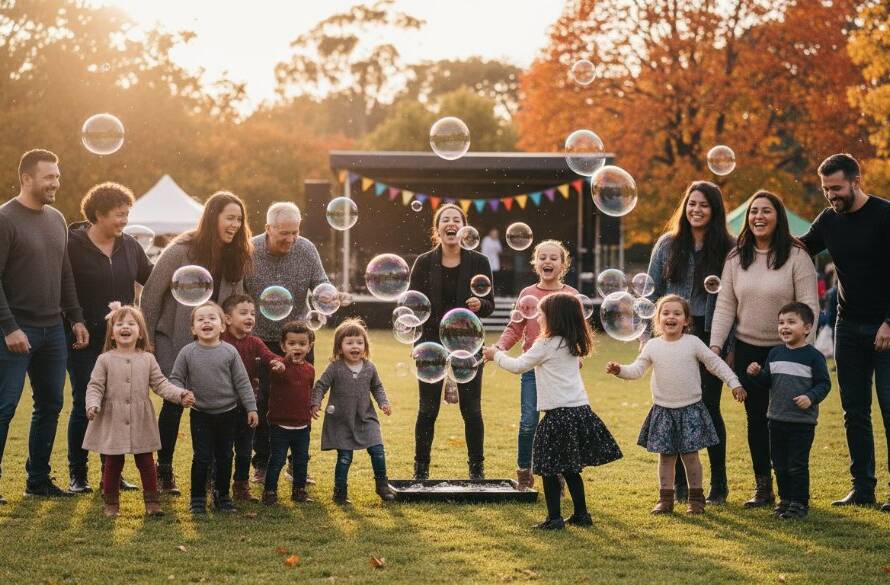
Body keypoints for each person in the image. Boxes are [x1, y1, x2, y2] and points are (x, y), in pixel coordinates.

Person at [709, 190, 819, 508]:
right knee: (756, 420)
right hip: (748, 351)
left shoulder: (797, 256)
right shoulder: (735, 257)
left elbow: (809, 305)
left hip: (788, 351)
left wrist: (804, 353)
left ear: (778, 217)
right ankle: (763, 486)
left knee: (787, 421)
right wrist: (716, 346)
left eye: (766, 211)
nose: (758, 216)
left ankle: (793, 487)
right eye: (754, 211)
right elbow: (726, 305)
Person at [141, 191, 253, 495]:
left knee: (215, 408)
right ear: (212, 216)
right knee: (175, 401)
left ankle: (210, 472)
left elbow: (234, 303)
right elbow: (151, 294)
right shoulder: (181, 250)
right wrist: (147, 339)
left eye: (239, 219)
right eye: (229, 217)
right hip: (173, 339)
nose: (235, 224)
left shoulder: (237, 256)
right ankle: (164, 470)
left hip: (213, 344)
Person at [483, 293, 622, 530]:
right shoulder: (571, 342)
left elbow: (518, 366)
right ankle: (581, 514)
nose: (538, 317)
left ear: (554, 318)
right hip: (579, 411)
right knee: (570, 468)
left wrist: (496, 354)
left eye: (541, 313)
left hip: (558, 415)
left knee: (548, 467)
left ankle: (554, 519)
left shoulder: (546, 344)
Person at [799, 153, 890, 510]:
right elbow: (802, 247)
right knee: (854, 410)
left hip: (886, 327)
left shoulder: (885, 216)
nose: (831, 196)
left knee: (889, 408)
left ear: (856, 180)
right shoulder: (829, 219)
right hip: (848, 326)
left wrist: (888, 322)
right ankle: (863, 488)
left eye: (836, 188)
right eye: (825, 190)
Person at [0, 149, 89, 501]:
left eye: (57, 175)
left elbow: (64, 273)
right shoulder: (5, 219)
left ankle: (37, 480)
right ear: (26, 179)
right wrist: (9, 327)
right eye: (48, 177)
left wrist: (76, 317)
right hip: (14, 329)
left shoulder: (56, 219)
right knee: (5, 407)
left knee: (50, 404)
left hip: (53, 330)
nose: (56, 182)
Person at [606, 295, 743, 515]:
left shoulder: (693, 343)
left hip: (690, 408)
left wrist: (734, 383)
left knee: (691, 456)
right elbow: (637, 370)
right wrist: (619, 370)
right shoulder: (652, 346)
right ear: (658, 320)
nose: (671, 317)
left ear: (686, 320)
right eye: (666, 313)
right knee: (666, 457)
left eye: (677, 313)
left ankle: (696, 498)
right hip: (663, 410)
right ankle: (665, 499)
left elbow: (714, 363)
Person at [643, 181, 735, 504]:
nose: (696, 210)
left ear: (715, 210)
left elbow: (733, 300)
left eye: (704, 205)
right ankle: (678, 488)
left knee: (708, 408)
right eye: (692, 203)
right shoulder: (668, 245)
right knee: (672, 407)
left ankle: (718, 485)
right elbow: (650, 294)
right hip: (671, 336)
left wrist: (728, 346)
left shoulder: (728, 247)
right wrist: (646, 339)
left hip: (711, 336)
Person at [66, 182, 153, 494]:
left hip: (121, 341)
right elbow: (66, 287)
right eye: (118, 215)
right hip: (83, 337)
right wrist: (76, 319)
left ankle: (111, 473)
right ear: (98, 214)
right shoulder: (72, 244)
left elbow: (152, 280)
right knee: (84, 402)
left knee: (115, 403)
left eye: (127, 214)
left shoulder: (130, 246)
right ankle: (78, 474)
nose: (124, 221)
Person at [244, 202, 337, 483]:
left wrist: (329, 295)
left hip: (298, 340)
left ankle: (297, 466)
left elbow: (321, 283)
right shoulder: (249, 250)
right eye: (284, 233)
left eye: (295, 232)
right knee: (263, 402)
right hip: (259, 339)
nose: (290, 239)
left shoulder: (306, 249)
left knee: (300, 402)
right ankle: (261, 463)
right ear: (268, 229)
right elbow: (237, 290)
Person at [409, 204, 495, 480]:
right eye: (445, 220)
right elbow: (411, 304)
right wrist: (416, 344)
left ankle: (477, 470)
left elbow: (490, 305)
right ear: (437, 230)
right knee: (427, 409)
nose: (451, 223)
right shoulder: (424, 261)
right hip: (430, 343)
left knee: (471, 409)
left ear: (464, 228)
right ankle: (420, 468)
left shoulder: (479, 262)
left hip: (468, 343)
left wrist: (480, 304)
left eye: (456, 219)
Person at [82, 305, 194, 517]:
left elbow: (161, 384)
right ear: (112, 333)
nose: (126, 327)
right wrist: (92, 404)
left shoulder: (147, 358)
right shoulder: (104, 359)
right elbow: (95, 386)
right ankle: (111, 504)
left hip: (141, 418)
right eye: (120, 324)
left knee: (146, 461)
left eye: (131, 324)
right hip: (113, 418)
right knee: (113, 462)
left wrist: (179, 395)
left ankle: (152, 502)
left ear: (141, 332)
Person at [493, 240, 579, 490]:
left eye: (553, 258)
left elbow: (578, 332)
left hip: (560, 372)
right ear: (535, 263)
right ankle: (524, 471)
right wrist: (500, 348)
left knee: (558, 424)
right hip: (532, 368)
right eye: (542, 257)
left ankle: (559, 473)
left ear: (563, 265)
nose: (547, 261)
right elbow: (515, 327)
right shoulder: (527, 294)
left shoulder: (571, 295)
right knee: (528, 421)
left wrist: (579, 356)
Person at [169, 301, 258, 514]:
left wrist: (251, 408)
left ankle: (222, 496)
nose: (206, 322)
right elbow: (175, 379)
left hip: (228, 414)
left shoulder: (230, 352)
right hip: (201, 415)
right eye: (200, 319)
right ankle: (198, 498)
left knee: (225, 456)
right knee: (201, 457)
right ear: (193, 329)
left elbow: (243, 382)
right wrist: (182, 394)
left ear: (222, 326)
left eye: (212, 318)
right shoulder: (187, 353)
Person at [746, 302, 831, 520]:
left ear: (807, 328)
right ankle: (785, 500)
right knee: (780, 465)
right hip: (776, 419)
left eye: (791, 322)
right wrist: (757, 374)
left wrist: (810, 397)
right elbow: (769, 382)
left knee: (797, 465)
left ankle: (800, 503)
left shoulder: (814, 356)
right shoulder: (775, 353)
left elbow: (824, 384)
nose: (784, 327)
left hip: (802, 422)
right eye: (781, 322)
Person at [310, 318, 394, 504]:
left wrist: (383, 403)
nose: (355, 346)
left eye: (359, 342)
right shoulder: (335, 368)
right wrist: (315, 402)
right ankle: (340, 492)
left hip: (366, 418)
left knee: (378, 450)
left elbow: (377, 387)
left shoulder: (370, 367)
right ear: (340, 347)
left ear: (365, 346)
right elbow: (321, 385)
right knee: (345, 458)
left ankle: (382, 485)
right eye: (349, 342)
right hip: (342, 420)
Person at [220, 294, 284, 502]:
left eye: (253, 313)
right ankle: (216, 484)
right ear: (227, 319)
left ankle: (241, 487)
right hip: (222, 406)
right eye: (244, 313)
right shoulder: (219, 342)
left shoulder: (255, 342)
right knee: (221, 450)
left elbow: (268, 355)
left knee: (245, 450)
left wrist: (277, 361)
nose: (250, 317)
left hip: (248, 406)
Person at [263, 321, 315, 505]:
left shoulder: (310, 370)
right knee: (277, 460)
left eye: (302, 343)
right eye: (291, 344)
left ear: (309, 346)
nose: (296, 347)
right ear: (283, 346)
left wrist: (312, 408)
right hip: (280, 425)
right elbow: (277, 373)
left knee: (301, 461)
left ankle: (299, 491)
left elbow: (308, 391)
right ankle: (269, 491)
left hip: (302, 425)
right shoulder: (279, 366)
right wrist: (281, 364)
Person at [480, 228, 503, 292]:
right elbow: (484, 251)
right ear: (490, 233)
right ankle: (486, 291)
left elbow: (500, 250)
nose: (495, 235)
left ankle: (494, 291)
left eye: (496, 234)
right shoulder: (486, 240)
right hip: (487, 261)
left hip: (495, 262)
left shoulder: (496, 241)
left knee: (494, 277)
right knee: (487, 277)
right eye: (494, 233)